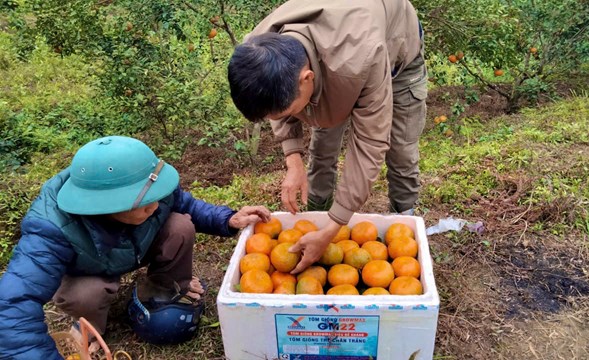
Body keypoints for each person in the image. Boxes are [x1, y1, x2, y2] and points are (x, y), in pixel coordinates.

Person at [0, 136, 270, 359]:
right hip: (90, 270)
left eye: (153, 196)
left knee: (180, 225)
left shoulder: (152, 188)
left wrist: (228, 219)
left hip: (139, 246)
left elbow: (187, 206)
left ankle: (164, 286)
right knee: (85, 294)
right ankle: (90, 326)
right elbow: (13, 303)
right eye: (139, 202)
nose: (154, 205)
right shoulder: (51, 226)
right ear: (105, 204)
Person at [228, 0, 427, 273]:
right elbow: (278, 104)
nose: (285, 116)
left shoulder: (361, 56)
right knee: (322, 146)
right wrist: (293, 159)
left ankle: (404, 221)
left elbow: (370, 142)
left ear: (307, 78)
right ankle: (316, 214)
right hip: (332, 57)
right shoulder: (259, 49)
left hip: (395, 52)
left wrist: (335, 226)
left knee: (400, 152)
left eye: (291, 110)